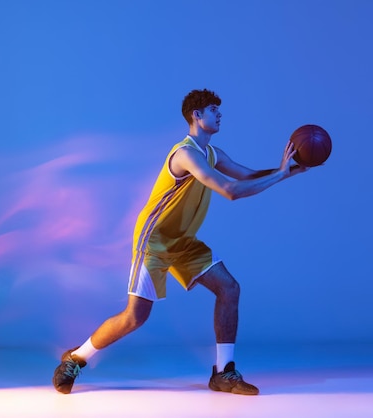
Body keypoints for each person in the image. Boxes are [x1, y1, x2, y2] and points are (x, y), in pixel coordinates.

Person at [52, 88, 309, 396]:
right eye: (214, 109)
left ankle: (224, 374)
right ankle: (76, 359)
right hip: (155, 241)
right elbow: (230, 190)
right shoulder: (186, 154)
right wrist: (281, 175)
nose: (220, 114)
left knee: (229, 288)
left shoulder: (213, 154)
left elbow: (248, 175)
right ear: (196, 115)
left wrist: (293, 169)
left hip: (184, 242)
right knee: (135, 317)